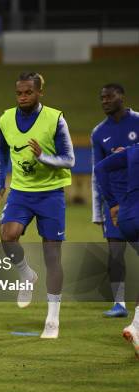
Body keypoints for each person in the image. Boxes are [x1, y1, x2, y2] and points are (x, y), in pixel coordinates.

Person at [0, 72, 75, 339]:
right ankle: (26, 274)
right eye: (19, 93)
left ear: (40, 92)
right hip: (21, 192)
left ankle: (52, 319)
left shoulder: (55, 119)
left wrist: (44, 158)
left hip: (51, 194)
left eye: (28, 92)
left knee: (52, 256)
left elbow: (70, 160)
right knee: (8, 235)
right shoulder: (6, 118)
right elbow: (2, 150)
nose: (22, 97)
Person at [91, 83, 139, 317]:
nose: (105, 101)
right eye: (102, 98)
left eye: (109, 96)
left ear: (122, 96)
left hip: (137, 198)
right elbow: (97, 172)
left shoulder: (138, 121)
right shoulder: (99, 133)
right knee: (115, 254)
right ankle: (119, 304)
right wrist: (99, 211)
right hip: (115, 204)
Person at [94, 144, 139, 358]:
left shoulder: (133, 150)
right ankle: (136, 325)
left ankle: (136, 324)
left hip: (127, 217)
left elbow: (100, 168)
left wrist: (112, 203)